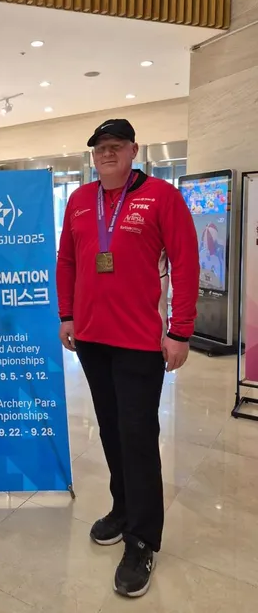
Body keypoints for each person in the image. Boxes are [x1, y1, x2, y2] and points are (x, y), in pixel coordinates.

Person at [56, 119, 199, 598]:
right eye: (100, 148)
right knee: (112, 431)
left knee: (137, 437)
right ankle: (122, 508)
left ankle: (142, 539)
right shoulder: (80, 200)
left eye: (116, 146)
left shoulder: (161, 197)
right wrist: (67, 315)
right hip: (92, 339)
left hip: (139, 341)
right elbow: (67, 261)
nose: (107, 154)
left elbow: (186, 262)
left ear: (134, 150)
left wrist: (180, 331)